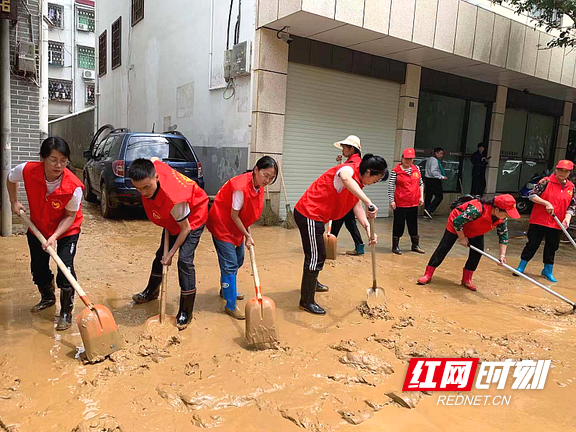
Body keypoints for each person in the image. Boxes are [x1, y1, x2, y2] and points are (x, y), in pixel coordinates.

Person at [293, 154, 388, 315]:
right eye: (375, 179)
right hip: (309, 213)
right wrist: (368, 202)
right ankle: (306, 301)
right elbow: (345, 178)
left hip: (318, 216)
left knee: (318, 254)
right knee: (316, 256)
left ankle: (312, 283)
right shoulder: (348, 170)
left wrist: (367, 228)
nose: (374, 183)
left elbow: (355, 204)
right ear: (367, 172)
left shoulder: (358, 182)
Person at [7, 137, 84, 331]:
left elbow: (69, 217)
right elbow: (10, 178)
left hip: (67, 228)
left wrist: (54, 236)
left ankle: (66, 311)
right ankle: (48, 298)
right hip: (38, 225)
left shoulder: (73, 187)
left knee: (65, 266)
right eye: (53, 159)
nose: (59, 165)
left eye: (63, 160)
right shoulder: (27, 170)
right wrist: (14, 201)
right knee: (38, 266)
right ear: (42, 158)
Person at [129, 158, 208, 330]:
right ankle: (151, 292)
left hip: (192, 217)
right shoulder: (152, 168)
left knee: (184, 260)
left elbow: (185, 228)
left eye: (146, 187)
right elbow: (154, 160)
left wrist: (171, 254)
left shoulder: (174, 199)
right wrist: (166, 254)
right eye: (138, 188)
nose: (143, 193)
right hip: (173, 218)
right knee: (160, 256)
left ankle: (186, 311)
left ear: (156, 177)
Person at [206, 156, 278, 320]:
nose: (267, 180)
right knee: (230, 264)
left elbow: (248, 213)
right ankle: (230, 305)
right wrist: (247, 235)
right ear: (256, 170)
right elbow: (234, 215)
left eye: (271, 177)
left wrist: (247, 233)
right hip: (223, 225)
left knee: (239, 258)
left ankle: (226, 288)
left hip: (236, 227)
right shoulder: (240, 188)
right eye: (265, 175)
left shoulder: (258, 186)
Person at [417, 194, 520, 291]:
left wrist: (502, 255)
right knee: (443, 248)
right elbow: (457, 222)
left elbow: (503, 235)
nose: (508, 216)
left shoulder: (502, 218)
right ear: (497, 209)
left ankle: (467, 279)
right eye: (507, 213)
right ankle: (428, 274)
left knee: (477, 253)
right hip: (456, 224)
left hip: (476, 230)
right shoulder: (476, 210)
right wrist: (462, 238)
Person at [515, 160, 575, 282]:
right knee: (532, 244)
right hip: (539, 220)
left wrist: (568, 218)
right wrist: (546, 203)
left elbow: (572, 205)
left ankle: (547, 271)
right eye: (560, 170)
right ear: (556, 170)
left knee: (552, 247)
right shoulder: (545, 181)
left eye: (565, 171)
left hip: (557, 223)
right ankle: (521, 266)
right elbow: (532, 195)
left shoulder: (571, 187)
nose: (562, 173)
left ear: (569, 172)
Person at [331, 135, 365, 256]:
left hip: (346, 198)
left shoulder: (353, 163)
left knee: (337, 220)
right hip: (349, 198)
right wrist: (340, 163)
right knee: (350, 222)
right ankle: (359, 246)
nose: (342, 150)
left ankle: (329, 246)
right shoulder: (354, 161)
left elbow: (345, 179)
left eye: (344, 147)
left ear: (352, 149)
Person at [388, 148, 425, 255]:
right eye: (406, 158)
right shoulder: (396, 171)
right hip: (400, 202)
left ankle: (415, 245)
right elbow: (391, 186)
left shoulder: (416, 169)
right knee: (399, 224)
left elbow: (420, 183)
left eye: (411, 159)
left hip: (413, 202)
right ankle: (395, 246)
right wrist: (391, 200)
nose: (408, 161)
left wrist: (421, 197)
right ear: (402, 158)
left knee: (413, 223)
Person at [423, 147, 447, 219]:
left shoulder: (429, 159)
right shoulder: (434, 160)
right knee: (439, 196)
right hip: (434, 180)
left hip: (428, 179)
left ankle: (426, 213)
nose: (442, 155)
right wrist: (441, 177)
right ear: (436, 153)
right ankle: (429, 209)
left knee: (428, 196)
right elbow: (433, 171)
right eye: (441, 153)